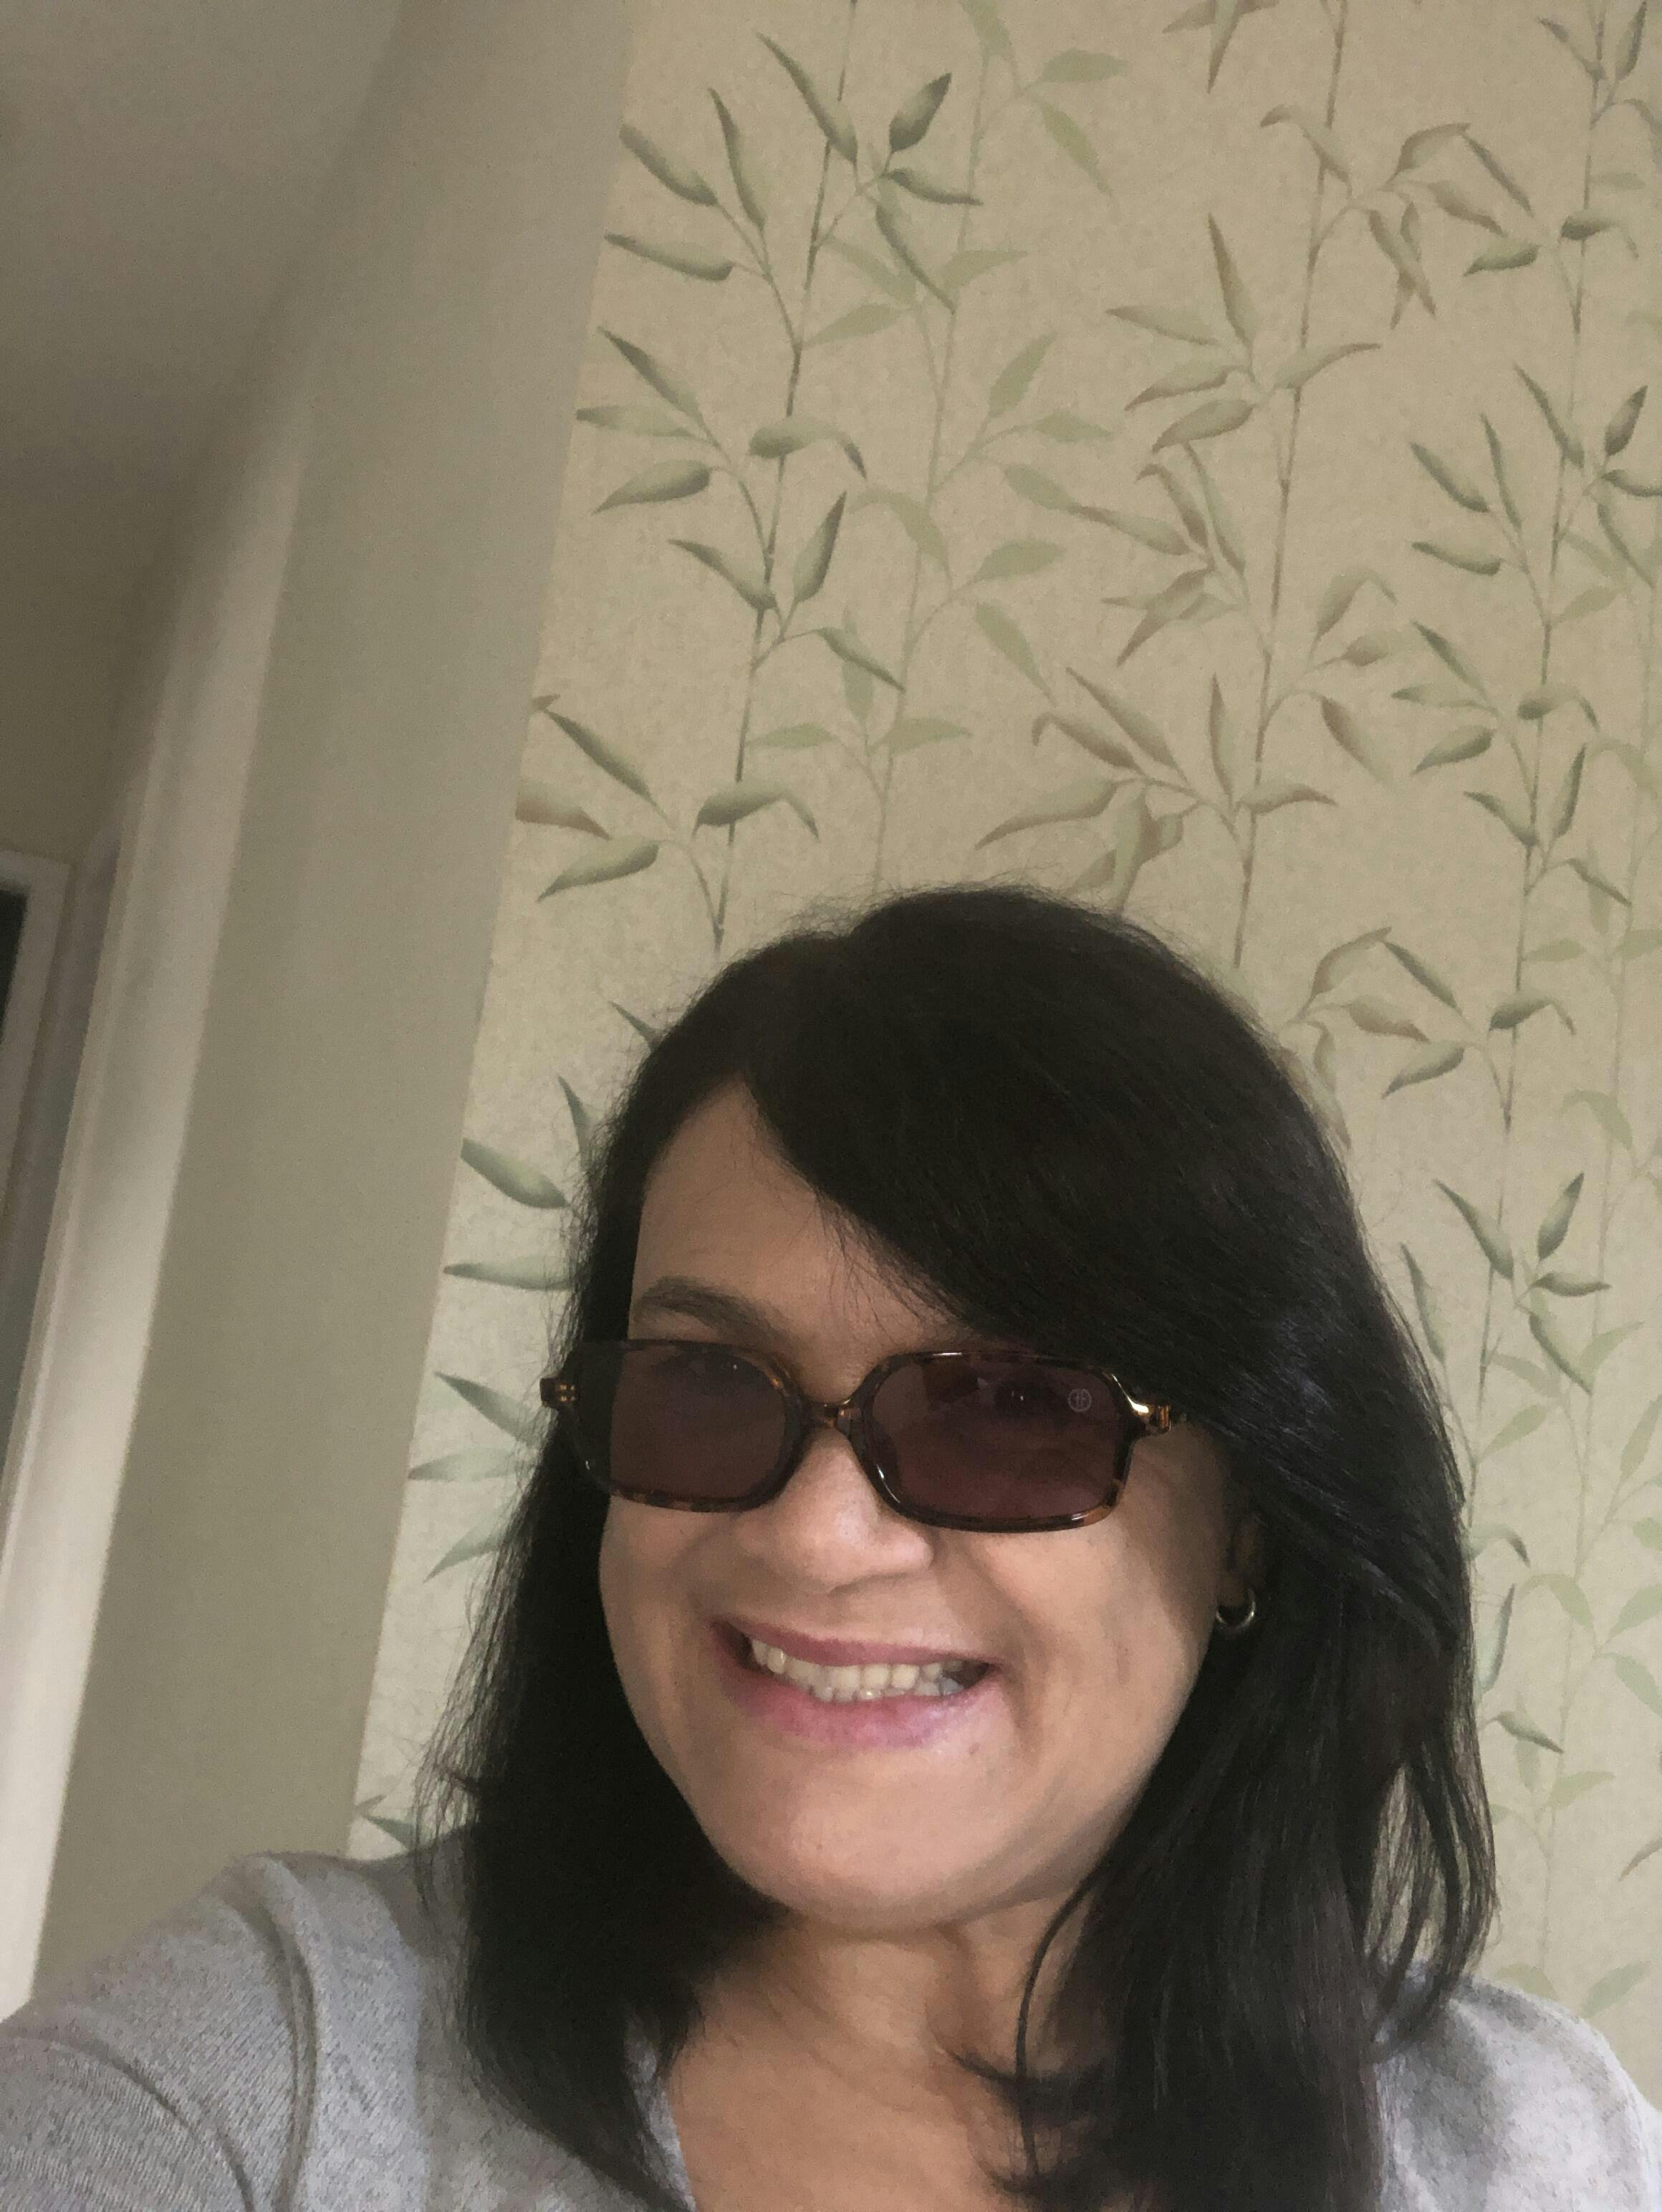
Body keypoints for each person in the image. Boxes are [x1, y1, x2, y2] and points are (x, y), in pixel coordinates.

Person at [2, 880, 1658, 2211]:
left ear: (1246, 1520)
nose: (811, 1530)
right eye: (706, 1381)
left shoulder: (1537, 2147)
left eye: (1007, 1404)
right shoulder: (264, 2063)